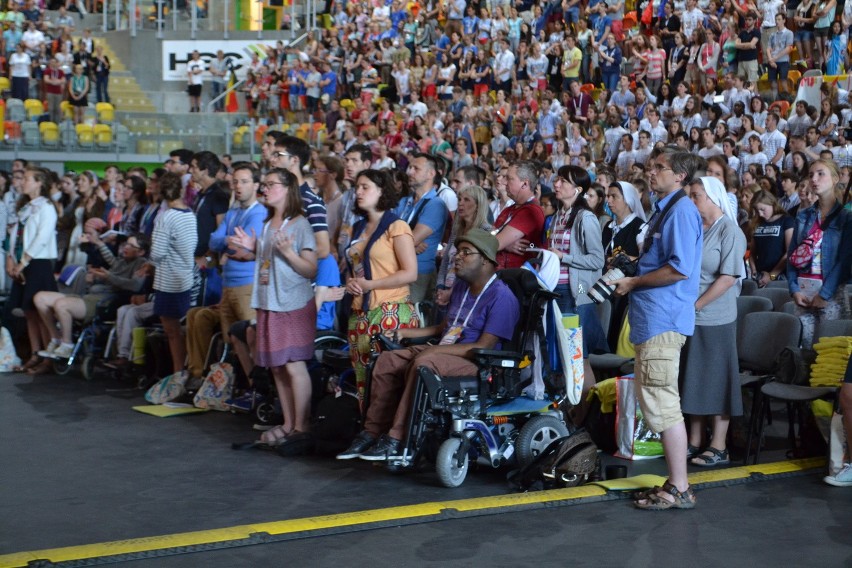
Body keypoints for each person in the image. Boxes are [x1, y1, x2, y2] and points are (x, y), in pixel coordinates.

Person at [336, 229, 520, 461]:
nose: (458, 257)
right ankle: (373, 432)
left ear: (485, 259)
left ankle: (396, 438)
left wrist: (435, 349)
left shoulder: (502, 297)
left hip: (477, 362)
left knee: (424, 362)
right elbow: (444, 328)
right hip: (446, 350)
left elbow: (484, 346)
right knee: (387, 360)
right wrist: (405, 332)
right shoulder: (462, 288)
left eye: (466, 252)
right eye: (458, 252)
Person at [612, 148, 704, 510]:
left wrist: (634, 281)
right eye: (650, 168)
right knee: (657, 401)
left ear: (680, 175)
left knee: (663, 404)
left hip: (663, 318)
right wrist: (634, 265)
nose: (651, 173)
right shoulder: (666, 209)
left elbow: (680, 269)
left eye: (659, 168)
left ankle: (680, 487)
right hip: (654, 318)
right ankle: (675, 482)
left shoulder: (681, 211)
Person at [231, 169, 318, 447]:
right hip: (269, 302)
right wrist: (255, 246)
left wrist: (290, 253)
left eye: (270, 185)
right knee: (278, 368)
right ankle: (289, 423)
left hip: (292, 304)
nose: (265, 189)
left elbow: (310, 268)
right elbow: (270, 261)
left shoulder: (300, 224)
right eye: (264, 184)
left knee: (294, 366)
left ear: (287, 188)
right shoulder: (270, 223)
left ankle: (302, 427)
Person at [681, 176, 747, 467]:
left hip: (715, 315)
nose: (692, 201)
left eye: (696, 195)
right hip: (692, 315)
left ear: (712, 197)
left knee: (718, 379)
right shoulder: (698, 228)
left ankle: (719, 445)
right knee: (694, 377)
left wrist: (697, 304)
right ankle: (695, 439)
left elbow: (728, 277)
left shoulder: (730, 231)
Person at [183, 163, 265, 383]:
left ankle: (255, 389)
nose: (238, 186)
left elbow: (244, 247)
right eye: (235, 181)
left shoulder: (260, 212)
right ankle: (215, 382)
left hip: (247, 285)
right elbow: (214, 239)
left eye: (244, 181)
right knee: (232, 342)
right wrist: (227, 240)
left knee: (249, 340)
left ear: (256, 185)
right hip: (228, 284)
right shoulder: (233, 211)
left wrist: (226, 242)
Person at [344, 169, 419, 397]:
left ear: (381, 191)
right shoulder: (357, 228)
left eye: (365, 187)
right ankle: (367, 429)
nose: (359, 191)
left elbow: (410, 273)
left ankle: (385, 432)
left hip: (390, 311)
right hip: (360, 313)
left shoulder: (396, 226)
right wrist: (351, 283)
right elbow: (355, 269)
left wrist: (370, 285)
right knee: (362, 380)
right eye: (357, 187)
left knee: (386, 383)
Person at [35, 233, 149, 361]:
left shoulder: (142, 264)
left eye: (131, 245)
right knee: (40, 298)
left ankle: (67, 344)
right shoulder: (121, 261)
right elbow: (109, 268)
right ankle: (56, 338)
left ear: (141, 252)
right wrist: (95, 278)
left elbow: (134, 286)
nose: (126, 247)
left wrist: (108, 276)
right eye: (126, 243)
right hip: (89, 295)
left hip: (104, 302)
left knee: (61, 304)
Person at [786, 159, 852, 350]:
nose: (814, 179)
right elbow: (792, 257)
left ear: (835, 178)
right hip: (803, 292)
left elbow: (844, 261)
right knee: (805, 349)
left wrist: (824, 294)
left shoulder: (846, 218)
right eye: (811, 175)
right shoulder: (803, 217)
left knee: (829, 352)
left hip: (831, 294)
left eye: (821, 174)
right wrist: (793, 289)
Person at [6, 168, 59, 375]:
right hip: (23, 262)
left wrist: (23, 262)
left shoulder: (46, 207)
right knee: (29, 312)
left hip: (38, 262)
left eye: (27, 179)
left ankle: (48, 357)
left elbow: (42, 237)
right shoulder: (27, 207)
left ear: (39, 183)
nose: (22, 182)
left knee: (41, 312)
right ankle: (35, 353)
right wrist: (11, 259)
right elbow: (16, 236)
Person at [149, 172, 198, 376]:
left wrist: (149, 259)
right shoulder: (189, 214)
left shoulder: (166, 217)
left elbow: (157, 253)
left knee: (172, 332)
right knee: (179, 329)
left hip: (168, 279)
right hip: (186, 275)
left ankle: (178, 373)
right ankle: (182, 370)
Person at [397, 154, 449, 303]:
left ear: (431, 174)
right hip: (397, 269)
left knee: (409, 322)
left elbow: (411, 240)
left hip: (419, 274)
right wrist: (407, 242)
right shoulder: (404, 201)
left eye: (416, 168)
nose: (409, 172)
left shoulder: (436, 204)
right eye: (409, 167)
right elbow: (385, 231)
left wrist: (408, 241)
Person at [436, 185, 492, 309]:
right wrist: (440, 286)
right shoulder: (457, 230)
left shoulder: (485, 231)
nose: (460, 204)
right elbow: (445, 260)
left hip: (464, 293)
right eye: (459, 199)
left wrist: (451, 292)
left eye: (466, 200)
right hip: (445, 287)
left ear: (478, 205)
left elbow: (476, 269)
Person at [494, 160, 545, 269]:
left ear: (525, 184)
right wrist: (506, 245)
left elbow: (494, 243)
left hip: (515, 279)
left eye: (509, 178)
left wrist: (501, 243)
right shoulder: (510, 209)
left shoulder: (530, 211)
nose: (504, 182)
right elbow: (491, 233)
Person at [749, 190, 794, 287]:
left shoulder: (786, 221)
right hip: (761, 275)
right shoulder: (757, 223)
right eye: (757, 211)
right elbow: (752, 253)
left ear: (772, 204)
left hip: (780, 275)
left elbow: (789, 252)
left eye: (763, 209)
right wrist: (754, 271)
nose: (760, 214)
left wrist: (771, 276)